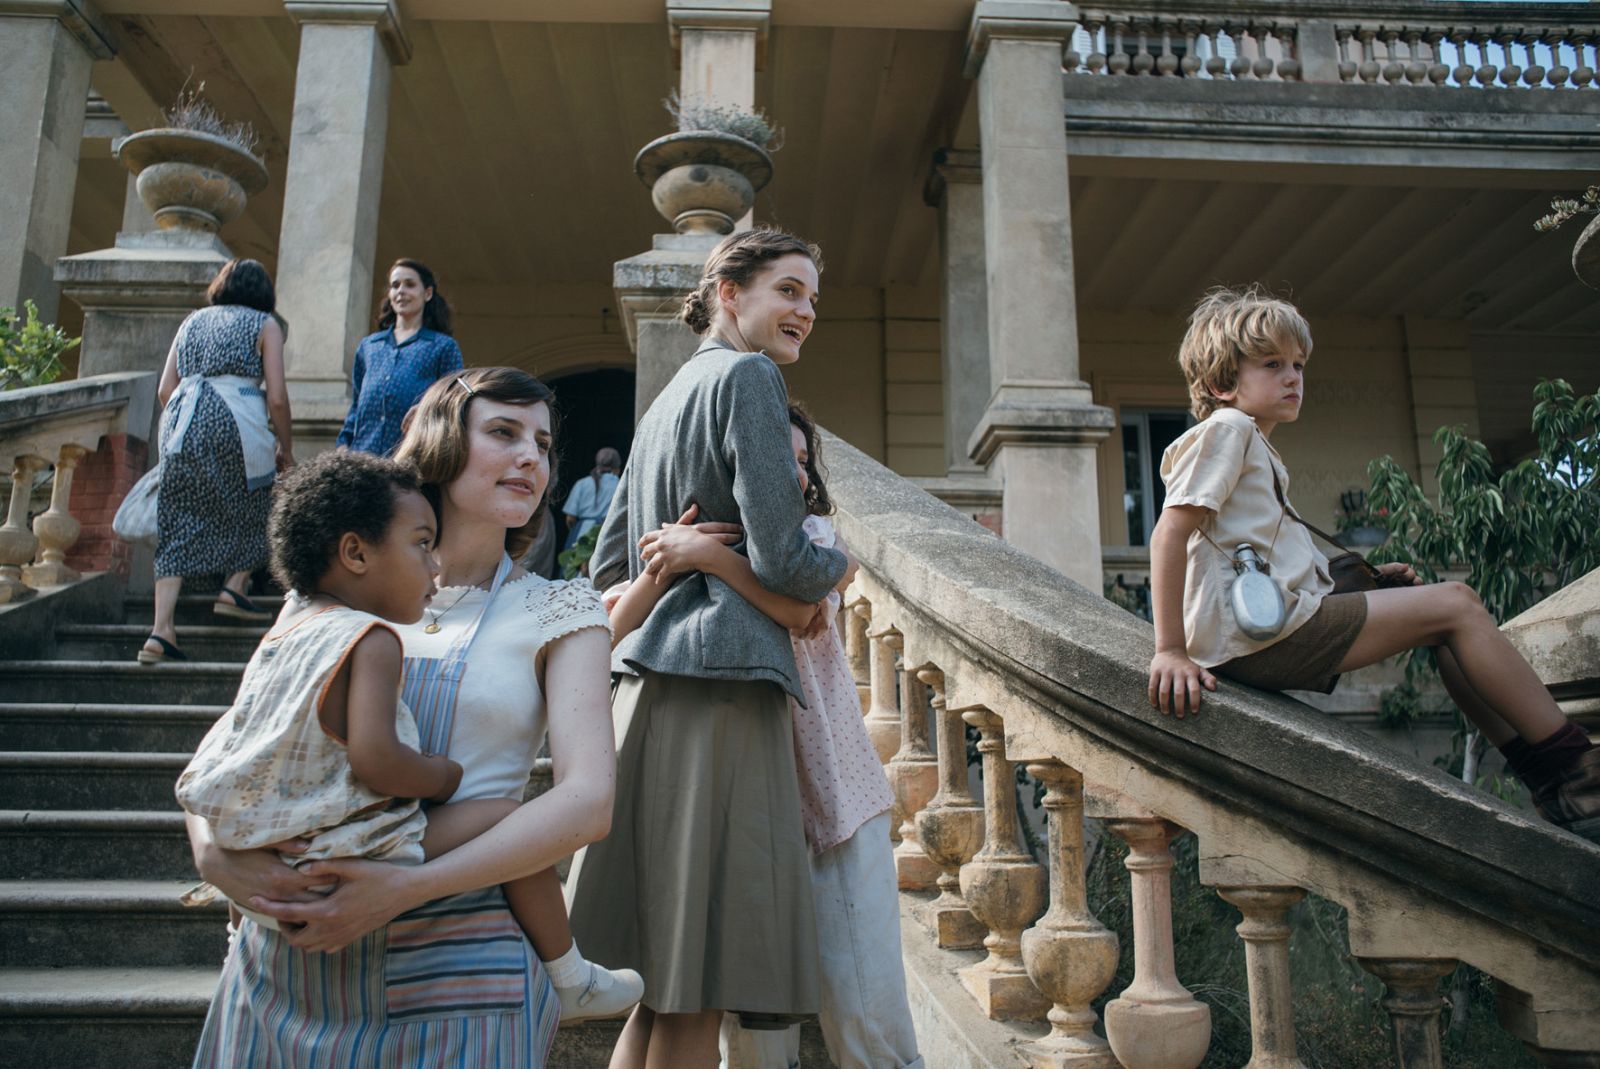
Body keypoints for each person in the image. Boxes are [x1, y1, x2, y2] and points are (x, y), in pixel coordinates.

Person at [184, 367, 635, 1067]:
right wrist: (213, 853)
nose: (531, 458)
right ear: (441, 443)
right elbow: (236, 743)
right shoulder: (337, 587)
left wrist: (407, 885)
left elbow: (587, 803)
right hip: (287, 966)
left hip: (463, 959)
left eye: (543, 445)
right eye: (504, 433)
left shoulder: (562, 609)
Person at [1146, 285, 1600, 842]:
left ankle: (1554, 783)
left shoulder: (1256, 445)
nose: (1293, 377)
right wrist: (1169, 649)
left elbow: (1260, 558)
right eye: (1272, 365)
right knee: (1457, 605)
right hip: (1257, 640)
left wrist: (1369, 586)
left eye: (1298, 365)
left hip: (1266, 631)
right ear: (1222, 383)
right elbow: (1171, 533)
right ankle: (1578, 768)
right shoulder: (1229, 429)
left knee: (1444, 625)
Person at [567, 227, 851, 1069]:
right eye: (789, 291)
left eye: (812, 299)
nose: (804, 311)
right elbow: (786, 561)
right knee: (699, 978)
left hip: (646, 698)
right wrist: (842, 560)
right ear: (729, 291)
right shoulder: (748, 376)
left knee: (661, 984)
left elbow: (612, 571)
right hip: (723, 693)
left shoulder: (660, 405)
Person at [609, 402, 922, 1069]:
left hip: (833, 797)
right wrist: (680, 558)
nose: (796, 471)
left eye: (805, 460)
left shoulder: (816, 541)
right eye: (780, 456)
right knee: (750, 1031)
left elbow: (804, 612)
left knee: (866, 1013)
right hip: (742, 798)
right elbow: (613, 627)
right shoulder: (701, 539)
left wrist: (713, 561)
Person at [140, 258, 293, 664]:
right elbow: (276, 396)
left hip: (181, 419)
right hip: (236, 418)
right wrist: (286, 447)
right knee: (256, 500)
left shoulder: (193, 321)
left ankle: (160, 631)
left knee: (177, 520)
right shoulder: (265, 324)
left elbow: (164, 389)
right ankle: (234, 585)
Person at [336, 259, 464, 456]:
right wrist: (343, 444)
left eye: (410, 285)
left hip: (412, 458)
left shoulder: (443, 347)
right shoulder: (369, 346)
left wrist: (424, 408)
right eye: (395, 285)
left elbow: (455, 400)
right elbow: (356, 405)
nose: (401, 291)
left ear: (427, 293)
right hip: (361, 458)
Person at [563, 446, 622, 550]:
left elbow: (570, 518)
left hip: (581, 534)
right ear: (617, 469)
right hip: (608, 535)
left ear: (597, 466)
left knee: (573, 563)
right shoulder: (621, 486)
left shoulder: (582, 483)